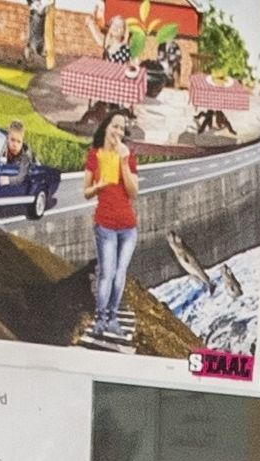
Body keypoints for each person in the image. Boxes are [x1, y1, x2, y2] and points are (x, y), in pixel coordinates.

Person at [85, 111, 140, 339]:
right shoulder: (94, 155)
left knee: (120, 273)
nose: (118, 131)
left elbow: (133, 192)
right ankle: (100, 320)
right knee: (106, 273)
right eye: (115, 126)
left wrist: (124, 162)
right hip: (105, 224)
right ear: (106, 127)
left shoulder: (128, 156)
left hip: (128, 227)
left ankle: (113, 317)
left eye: (122, 128)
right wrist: (98, 186)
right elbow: (86, 192)